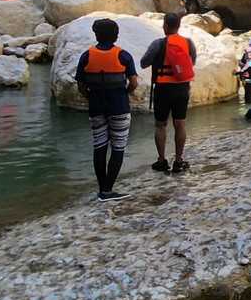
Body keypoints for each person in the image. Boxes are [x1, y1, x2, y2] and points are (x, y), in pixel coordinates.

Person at [75, 18, 138, 201]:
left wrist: (91, 97)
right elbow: (133, 83)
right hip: (119, 105)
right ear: (116, 35)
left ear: (96, 35)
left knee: (99, 145)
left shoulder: (86, 55)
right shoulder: (123, 55)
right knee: (118, 146)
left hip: (96, 106)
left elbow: (80, 86)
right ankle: (108, 190)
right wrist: (125, 94)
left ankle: (102, 188)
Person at [141, 12, 197, 173]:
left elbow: (144, 63)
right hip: (182, 87)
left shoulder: (158, 44)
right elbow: (191, 62)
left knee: (160, 125)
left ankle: (162, 160)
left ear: (165, 26)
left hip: (163, 88)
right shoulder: (187, 43)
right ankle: (178, 161)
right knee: (180, 124)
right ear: (178, 26)